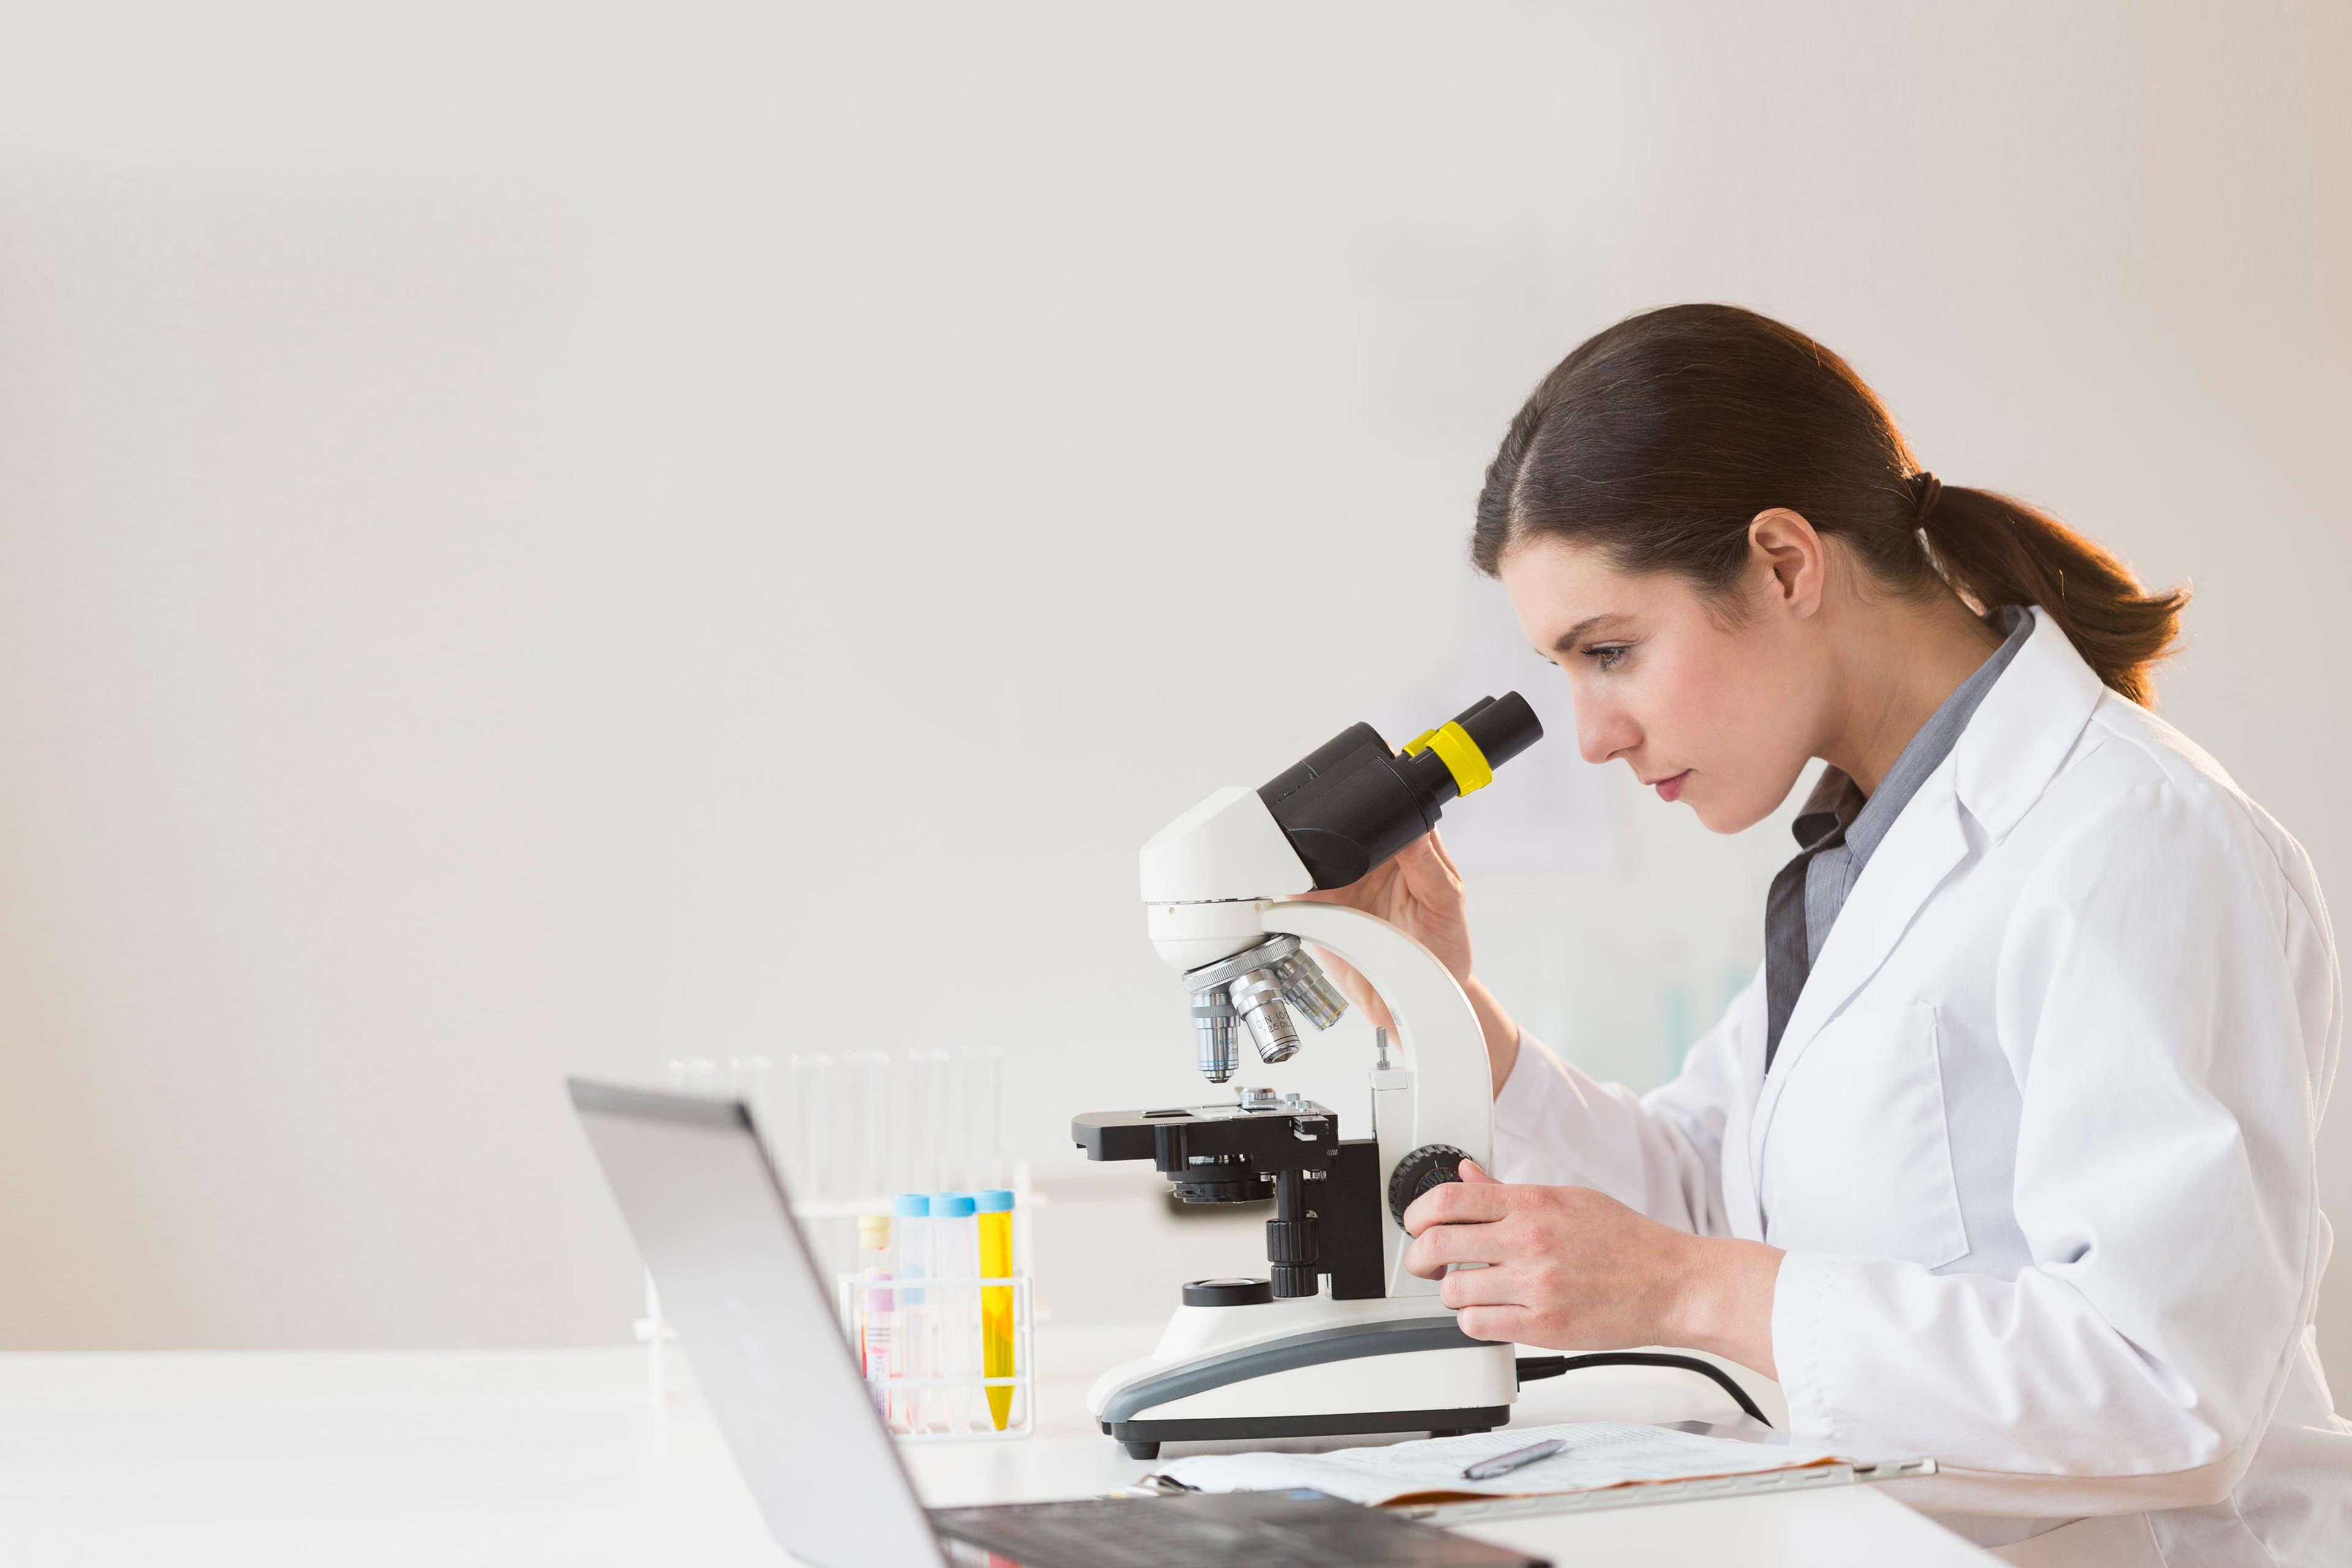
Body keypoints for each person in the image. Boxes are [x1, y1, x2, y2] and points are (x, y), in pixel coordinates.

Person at [1309, 304, 2351, 1564]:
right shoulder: (1867, 843)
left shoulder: (2133, 837)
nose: (1592, 733)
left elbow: (2166, 1388)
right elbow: (1716, 1194)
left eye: (1612, 650)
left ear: (1785, 563)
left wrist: (1689, 1289)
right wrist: (1439, 1003)